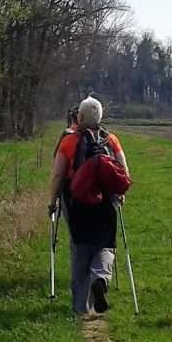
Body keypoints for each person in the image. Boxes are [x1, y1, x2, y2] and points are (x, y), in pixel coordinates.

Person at [47, 96, 130, 315]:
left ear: (80, 117)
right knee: (105, 244)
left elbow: (58, 175)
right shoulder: (111, 140)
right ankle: (100, 279)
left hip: (77, 203)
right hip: (106, 202)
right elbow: (123, 169)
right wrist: (119, 194)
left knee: (80, 246)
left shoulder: (69, 141)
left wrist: (52, 200)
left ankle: (80, 307)